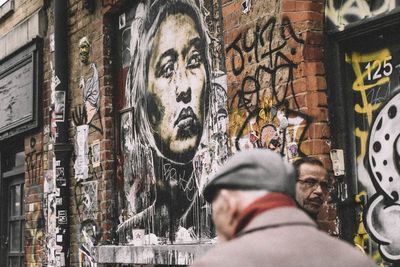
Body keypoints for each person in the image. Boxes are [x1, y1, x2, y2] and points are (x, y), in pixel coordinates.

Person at [118, 0, 227, 243]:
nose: (184, 87)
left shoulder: (225, 220)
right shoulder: (131, 234)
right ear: (142, 99)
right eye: (167, 69)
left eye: (194, 60)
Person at [191, 149, 377, 267]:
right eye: (309, 182)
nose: (319, 192)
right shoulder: (354, 260)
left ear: (227, 204)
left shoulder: (216, 263)